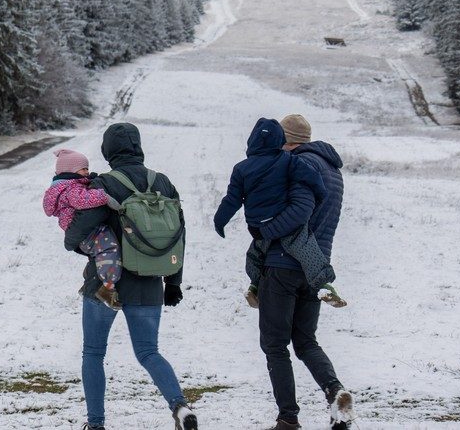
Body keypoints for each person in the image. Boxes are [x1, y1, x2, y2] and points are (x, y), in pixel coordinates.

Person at [64, 123, 198, 430]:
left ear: (107, 151)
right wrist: (173, 283)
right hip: (149, 280)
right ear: (138, 147)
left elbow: (83, 226)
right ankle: (179, 407)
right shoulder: (163, 183)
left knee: (94, 353)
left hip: (105, 284)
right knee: (149, 352)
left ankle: (96, 424)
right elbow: (178, 234)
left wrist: (71, 242)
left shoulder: (103, 185)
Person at [254, 114, 355, 430]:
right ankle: (335, 391)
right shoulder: (333, 171)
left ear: (287, 139)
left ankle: (288, 418)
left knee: (275, 344)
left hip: (283, 265)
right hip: (315, 269)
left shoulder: (295, 167)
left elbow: (286, 216)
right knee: (306, 340)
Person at [212, 118, 346, 310]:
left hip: (264, 230)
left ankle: (255, 285)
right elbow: (312, 180)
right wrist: (320, 190)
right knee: (304, 248)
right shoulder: (299, 163)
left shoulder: (244, 167)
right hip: (298, 242)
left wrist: (220, 221)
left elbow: (231, 200)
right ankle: (323, 285)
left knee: (254, 254)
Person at [43, 148, 122, 309]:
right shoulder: (70, 189)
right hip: (86, 231)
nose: (87, 172)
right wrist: (104, 196)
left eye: (87, 168)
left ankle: (90, 280)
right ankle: (107, 288)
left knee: (98, 251)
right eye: (83, 169)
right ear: (71, 171)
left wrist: (88, 180)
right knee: (109, 247)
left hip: (80, 230)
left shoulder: (62, 186)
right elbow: (82, 200)